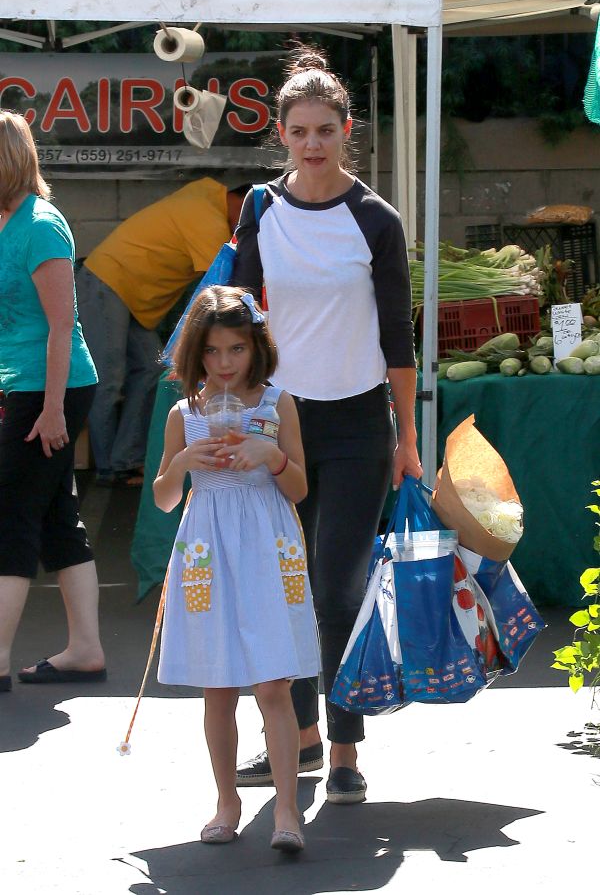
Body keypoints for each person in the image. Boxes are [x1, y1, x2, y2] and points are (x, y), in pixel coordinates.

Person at [232, 47, 422, 804]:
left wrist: (407, 438)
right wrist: (228, 416)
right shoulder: (260, 210)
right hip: (280, 424)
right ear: (281, 133)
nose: (313, 144)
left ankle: (344, 748)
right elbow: (240, 321)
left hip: (356, 427)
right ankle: (299, 741)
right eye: (300, 130)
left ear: (350, 131)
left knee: (337, 588)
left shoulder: (376, 219)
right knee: (285, 589)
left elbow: (397, 342)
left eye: (326, 130)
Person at [153, 285, 320, 851]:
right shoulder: (186, 412)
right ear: (196, 354)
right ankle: (227, 799)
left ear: (257, 349)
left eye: (237, 350)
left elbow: (298, 487)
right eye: (213, 352)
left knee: (273, 681)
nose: (225, 365)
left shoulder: (278, 405)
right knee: (217, 684)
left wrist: (270, 456)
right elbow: (162, 498)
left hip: (267, 545)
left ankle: (288, 812)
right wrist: (181, 462)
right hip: (208, 546)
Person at [0, 110, 105, 692]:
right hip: (25, 384)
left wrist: (52, 409)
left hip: (51, 387)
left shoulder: (41, 225)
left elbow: (62, 325)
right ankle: (86, 648)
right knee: (56, 516)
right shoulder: (7, 221)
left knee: (11, 515)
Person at [76, 178, 246, 487]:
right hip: (107, 281)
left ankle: (125, 460)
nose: (245, 226)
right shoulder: (207, 218)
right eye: (246, 215)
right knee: (108, 380)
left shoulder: (208, 196)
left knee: (151, 371)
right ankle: (108, 470)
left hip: (129, 296)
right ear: (238, 200)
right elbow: (221, 288)